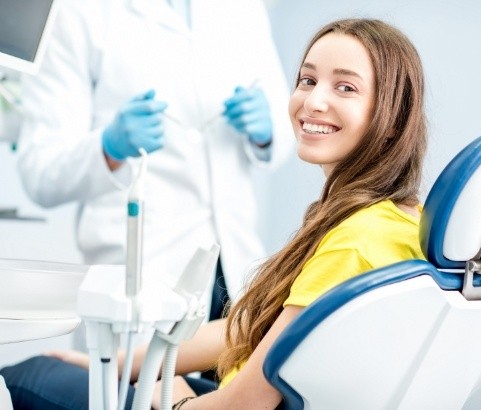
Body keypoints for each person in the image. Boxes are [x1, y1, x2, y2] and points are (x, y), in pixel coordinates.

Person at [2, 18, 427, 409]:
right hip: (156, 268)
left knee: (25, 378)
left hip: (226, 353)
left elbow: (245, 401)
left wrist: (173, 399)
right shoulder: (393, 220)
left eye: (345, 88)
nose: (313, 100)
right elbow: (252, 328)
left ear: (393, 116)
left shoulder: (354, 240)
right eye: (307, 80)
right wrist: (117, 364)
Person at [15, 0, 294, 322]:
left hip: (236, 268)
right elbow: (41, 170)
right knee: (137, 370)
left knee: (234, 365)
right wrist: (108, 148)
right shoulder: (77, 11)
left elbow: (284, 134)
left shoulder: (243, 9)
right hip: (141, 274)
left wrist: (267, 131)